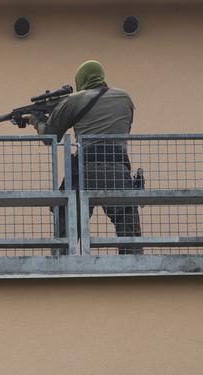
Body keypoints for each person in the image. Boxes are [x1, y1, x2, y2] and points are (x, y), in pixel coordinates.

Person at [22, 60, 143, 254]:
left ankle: (61, 264)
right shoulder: (125, 98)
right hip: (119, 170)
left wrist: (37, 121)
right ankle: (135, 264)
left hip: (86, 169)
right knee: (128, 225)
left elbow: (49, 137)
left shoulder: (74, 100)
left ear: (81, 79)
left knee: (67, 220)